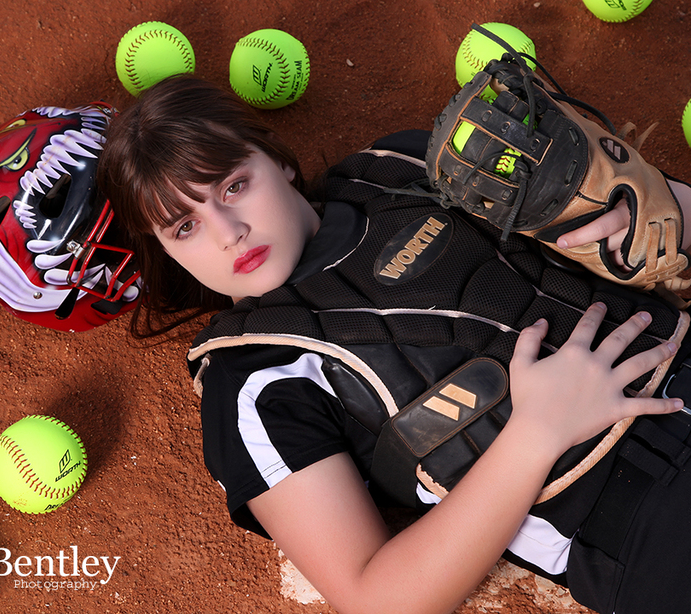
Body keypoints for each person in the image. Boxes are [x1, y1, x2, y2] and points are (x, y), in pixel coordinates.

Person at [97, 74, 691, 614]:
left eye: (233, 186)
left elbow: (659, 221)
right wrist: (538, 434)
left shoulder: (404, 164)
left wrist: (652, 209)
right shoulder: (250, 380)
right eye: (185, 226)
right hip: (639, 512)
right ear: (166, 252)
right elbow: (377, 597)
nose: (230, 234)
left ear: (276, 160)